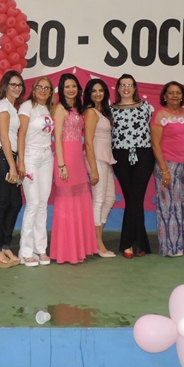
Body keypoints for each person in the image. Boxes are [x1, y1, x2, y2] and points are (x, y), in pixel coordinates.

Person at [49, 74, 98, 264]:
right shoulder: (60, 109)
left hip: (78, 159)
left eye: (74, 86)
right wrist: (61, 165)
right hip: (66, 159)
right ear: (61, 90)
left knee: (80, 201)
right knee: (66, 204)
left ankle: (80, 249)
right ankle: (66, 252)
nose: (71, 90)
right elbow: (57, 139)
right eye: (67, 87)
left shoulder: (78, 109)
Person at [151, 81, 184, 258]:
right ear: (164, 96)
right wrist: (164, 170)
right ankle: (172, 247)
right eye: (171, 93)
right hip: (168, 166)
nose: (175, 96)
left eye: (178, 92)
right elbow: (155, 144)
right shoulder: (160, 115)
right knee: (169, 208)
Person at [111, 74, 154, 258]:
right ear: (118, 88)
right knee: (132, 199)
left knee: (136, 198)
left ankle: (127, 243)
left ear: (135, 88)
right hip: (120, 156)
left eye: (129, 85)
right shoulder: (110, 110)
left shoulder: (147, 107)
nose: (126, 88)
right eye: (122, 85)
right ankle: (140, 242)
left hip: (144, 155)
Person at [0, 71, 25, 268]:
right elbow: (3, 137)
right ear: (5, 86)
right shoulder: (3, 105)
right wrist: (12, 165)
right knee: (2, 203)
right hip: (1, 158)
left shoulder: (12, 107)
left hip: (8, 158)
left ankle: (4, 244)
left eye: (19, 85)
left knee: (15, 203)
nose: (17, 88)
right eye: (13, 84)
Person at [17, 77, 55, 267]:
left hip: (46, 157)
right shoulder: (26, 107)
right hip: (30, 157)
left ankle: (40, 249)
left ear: (50, 92)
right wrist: (21, 162)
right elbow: (21, 135)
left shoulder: (49, 109)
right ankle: (25, 252)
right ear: (33, 89)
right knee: (32, 204)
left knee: (42, 204)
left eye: (47, 88)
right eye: (40, 87)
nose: (43, 90)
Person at [83, 78, 117, 258]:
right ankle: (96, 242)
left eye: (101, 90)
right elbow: (88, 143)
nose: (98, 94)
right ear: (89, 94)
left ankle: (96, 238)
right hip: (95, 158)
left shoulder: (102, 111)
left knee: (109, 198)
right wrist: (94, 169)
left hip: (105, 159)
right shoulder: (90, 112)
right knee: (99, 199)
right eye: (94, 91)